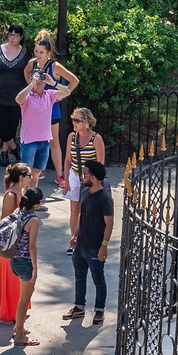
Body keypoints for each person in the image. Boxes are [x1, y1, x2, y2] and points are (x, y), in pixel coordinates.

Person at [62, 160, 115, 327]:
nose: (82, 177)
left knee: (98, 279)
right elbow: (81, 215)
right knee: (79, 277)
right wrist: (74, 234)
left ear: (94, 177)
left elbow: (109, 224)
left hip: (95, 247)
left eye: (85, 174)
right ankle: (79, 307)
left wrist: (104, 245)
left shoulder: (104, 198)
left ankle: (99, 310)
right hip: (81, 245)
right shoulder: (85, 192)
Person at [24, 30, 79, 187]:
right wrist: (30, 87)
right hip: (34, 109)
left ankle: (59, 174)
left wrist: (61, 94)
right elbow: (26, 72)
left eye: (41, 52)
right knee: (35, 139)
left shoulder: (54, 66)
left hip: (50, 107)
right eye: (36, 51)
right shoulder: (32, 63)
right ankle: (38, 169)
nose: (38, 54)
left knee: (53, 141)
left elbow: (74, 80)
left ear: (48, 53)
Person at [0, 163, 33, 325]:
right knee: (11, 278)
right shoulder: (10, 196)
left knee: (18, 279)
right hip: (12, 245)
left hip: (20, 244)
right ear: (21, 178)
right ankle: (7, 313)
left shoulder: (21, 192)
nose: (32, 178)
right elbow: (5, 222)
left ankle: (17, 310)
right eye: (29, 175)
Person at [15, 66, 71, 189]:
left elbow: (67, 92)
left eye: (42, 78)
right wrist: (31, 84)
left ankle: (32, 197)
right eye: (37, 78)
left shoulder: (49, 95)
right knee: (25, 174)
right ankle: (21, 198)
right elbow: (18, 99)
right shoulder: (27, 97)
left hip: (44, 141)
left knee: (36, 172)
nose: (40, 81)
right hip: (29, 142)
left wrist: (53, 83)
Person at [62, 108, 106, 255]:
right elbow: (68, 159)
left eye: (77, 120)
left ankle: (89, 240)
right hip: (75, 176)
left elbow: (100, 163)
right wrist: (66, 180)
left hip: (89, 179)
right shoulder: (71, 137)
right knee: (74, 210)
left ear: (86, 123)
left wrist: (93, 181)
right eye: (73, 119)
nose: (74, 123)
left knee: (88, 211)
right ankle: (74, 241)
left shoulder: (96, 139)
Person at [0, 25, 30, 167]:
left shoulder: (26, 53)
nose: (12, 37)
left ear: (21, 37)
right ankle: (15, 148)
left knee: (11, 127)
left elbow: (30, 74)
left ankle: (4, 152)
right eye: (10, 34)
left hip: (17, 98)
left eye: (16, 35)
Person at [9, 187, 45, 346]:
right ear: (36, 204)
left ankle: (20, 328)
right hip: (25, 262)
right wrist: (35, 267)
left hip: (14, 260)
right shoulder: (33, 220)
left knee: (22, 297)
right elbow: (32, 247)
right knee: (24, 299)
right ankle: (19, 336)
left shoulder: (18, 212)